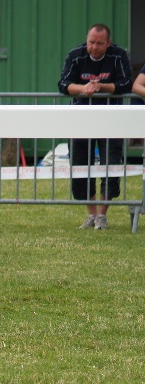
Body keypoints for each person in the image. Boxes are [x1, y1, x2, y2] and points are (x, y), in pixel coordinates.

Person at [58, 24, 132, 231]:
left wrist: (102, 87)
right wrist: (84, 88)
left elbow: (126, 83)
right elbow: (64, 84)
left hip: (112, 120)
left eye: (99, 43)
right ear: (86, 39)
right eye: (91, 42)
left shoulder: (118, 56)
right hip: (80, 119)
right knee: (81, 166)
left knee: (111, 165)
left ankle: (102, 215)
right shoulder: (75, 56)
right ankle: (91, 215)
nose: (94, 47)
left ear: (108, 43)